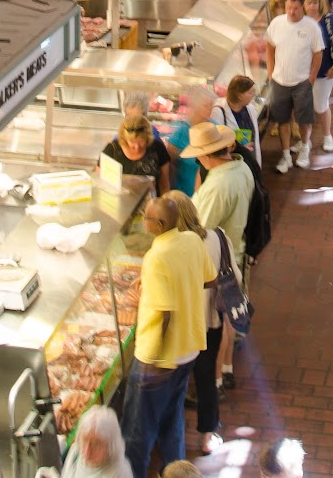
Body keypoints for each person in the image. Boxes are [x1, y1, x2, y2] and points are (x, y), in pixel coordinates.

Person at [123, 195, 214, 478]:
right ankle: (174, 469)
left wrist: (158, 360)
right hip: (190, 348)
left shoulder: (156, 257)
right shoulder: (191, 240)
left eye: (146, 218)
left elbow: (165, 313)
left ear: (158, 224)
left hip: (158, 357)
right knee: (172, 415)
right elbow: (207, 279)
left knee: (138, 430)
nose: (143, 221)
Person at [165, 190, 229, 456]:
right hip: (210, 321)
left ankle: (170, 441)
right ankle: (206, 435)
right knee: (205, 379)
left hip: (181, 327)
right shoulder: (218, 236)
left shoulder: (169, 248)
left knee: (175, 384)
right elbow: (231, 275)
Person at [265, 0, 324, 174]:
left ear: (302, 8)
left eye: (295, 9)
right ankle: (285, 155)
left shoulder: (311, 27)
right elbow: (269, 47)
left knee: (304, 119)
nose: (291, 12)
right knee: (282, 120)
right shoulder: (277, 24)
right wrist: (270, 72)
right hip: (279, 81)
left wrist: (311, 77)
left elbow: (318, 53)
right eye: (289, 8)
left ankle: (305, 148)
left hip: (301, 82)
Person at [185, 122, 254, 268]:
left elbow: (202, 230)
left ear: (205, 155)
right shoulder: (241, 166)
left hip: (218, 261)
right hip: (234, 250)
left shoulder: (217, 187)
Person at [303, 0, 333, 158]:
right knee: (305, 108)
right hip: (302, 72)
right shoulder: (300, 22)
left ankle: (327, 135)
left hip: (323, 71)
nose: (312, 6)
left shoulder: (329, 21)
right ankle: (306, 140)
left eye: (315, 3)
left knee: (320, 105)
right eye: (309, 3)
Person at [101, 115, 173, 196]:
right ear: (124, 138)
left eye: (141, 142)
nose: (137, 147)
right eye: (132, 142)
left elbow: (164, 185)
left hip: (150, 204)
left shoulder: (157, 148)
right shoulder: (112, 150)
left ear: (147, 137)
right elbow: (100, 182)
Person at [165, 86, 216, 195]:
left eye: (211, 105)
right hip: (186, 195)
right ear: (195, 107)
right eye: (206, 105)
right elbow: (169, 166)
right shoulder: (181, 134)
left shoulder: (215, 128)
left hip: (211, 194)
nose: (210, 108)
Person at [61, 406, 132, 478]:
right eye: (84, 440)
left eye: (95, 444)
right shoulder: (75, 454)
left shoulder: (120, 473)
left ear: (110, 446)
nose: (87, 451)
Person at [211, 75, 258, 146]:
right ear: (239, 95)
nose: (253, 95)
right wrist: (241, 149)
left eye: (253, 91)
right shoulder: (218, 112)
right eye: (250, 92)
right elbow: (215, 140)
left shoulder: (250, 108)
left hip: (249, 154)